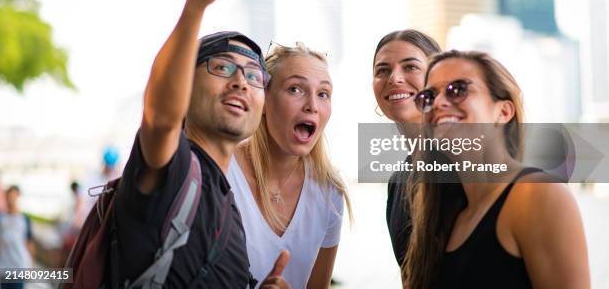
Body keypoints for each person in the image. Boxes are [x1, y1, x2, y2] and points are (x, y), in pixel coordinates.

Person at [110, 0, 289, 288]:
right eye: (222, 67)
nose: (241, 80)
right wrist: (198, 1)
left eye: (254, 76)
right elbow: (160, 117)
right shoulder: (174, 170)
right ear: (185, 87)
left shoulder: (227, 203)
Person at [401, 50, 589, 289]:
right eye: (428, 96)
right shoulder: (443, 213)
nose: (438, 103)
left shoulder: (539, 195)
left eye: (458, 89)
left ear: (503, 112)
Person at [228, 43, 352, 289]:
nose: (312, 106)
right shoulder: (220, 171)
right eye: (295, 89)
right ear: (263, 100)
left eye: (323, 94)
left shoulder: (329, 191)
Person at [372, 29, 453, 266]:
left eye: (410, 67)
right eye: (382, 70)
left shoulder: (464, 166)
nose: (394, 78)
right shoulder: (397, 182)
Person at [0, 186, 35, 289]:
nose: (11, 199)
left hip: (19, 266)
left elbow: (29, 242)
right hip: (3, 266)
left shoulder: (25, 219)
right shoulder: (0, 218)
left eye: (14, 196)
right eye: (9, 196)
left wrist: (31, 264)